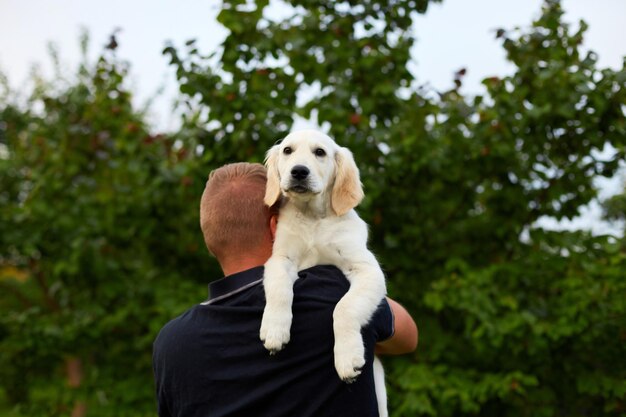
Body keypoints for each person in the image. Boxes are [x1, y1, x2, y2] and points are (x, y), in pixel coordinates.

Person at [153, 162, 418, 417]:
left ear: (210, 241)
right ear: (275, 226)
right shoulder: (332, 292)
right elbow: (407, 336)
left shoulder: (172, 343)